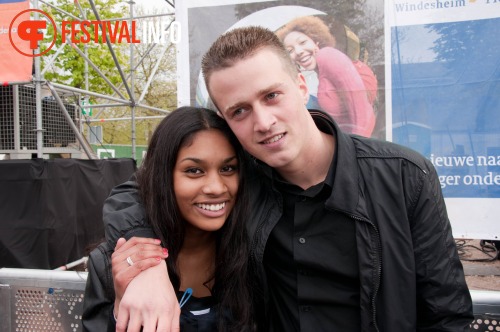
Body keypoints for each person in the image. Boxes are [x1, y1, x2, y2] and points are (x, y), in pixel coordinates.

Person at [103, 26, 473, 331]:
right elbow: (141, 190)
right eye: (240, 110)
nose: (263, 122)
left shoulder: (404, 176)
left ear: (300, 86)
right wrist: (148, 266)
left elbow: (446, 315)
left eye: (272, 96)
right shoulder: (244, 177)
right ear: (225, 117)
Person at [82, 106, 255, 332]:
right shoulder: (112, 263)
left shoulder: (254, 253)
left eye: (228, 168)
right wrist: (120, 313)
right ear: (163, 177)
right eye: (194, 171)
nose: (216, 187)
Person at [275, 15, 376, 137]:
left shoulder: (327, 55)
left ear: (316, 41)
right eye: (290, 50)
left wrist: (359, 147)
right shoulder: (320, 71)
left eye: (302, 42)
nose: (298, 51)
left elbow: (361, 107)